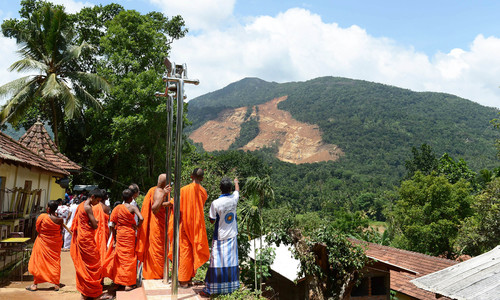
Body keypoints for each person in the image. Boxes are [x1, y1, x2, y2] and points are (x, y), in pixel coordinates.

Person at [168, 168, 210, 287]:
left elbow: (175, 205)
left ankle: (183, 280)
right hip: (197, 225)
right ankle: (190, 277)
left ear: (191, 176)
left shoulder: (183, 190)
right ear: (202, 178)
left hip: (185, 225)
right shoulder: (204, 192)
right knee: (193, 250)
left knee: (185, 251)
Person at [202, 177, 240, 296]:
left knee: (217, 262)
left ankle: (213, 288)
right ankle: (231, 287)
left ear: (220, 189)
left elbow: (212, 220)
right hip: (232, 235)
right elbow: (237, 190)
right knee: (231, 261)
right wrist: (236, 182)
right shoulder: (234, 198)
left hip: (220, 237)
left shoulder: (216, 203)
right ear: (230, 188)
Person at [104, 189, 144, 291]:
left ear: (122, 198)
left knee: (120, 259)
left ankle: (118, 281)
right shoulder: (133, 207)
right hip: (129, 235)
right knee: (129, 258)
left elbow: (112, 224)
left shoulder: (117, 208)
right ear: (131, 198)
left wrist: (114, 237)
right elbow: (142, 218)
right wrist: (137, 227)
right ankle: (128, 284)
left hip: (120, 235)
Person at [70, 188, 106, 300]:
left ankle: (85, 293)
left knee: (85, 266)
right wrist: (96, 221)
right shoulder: (87, 207)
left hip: (83, 237)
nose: (98, 203)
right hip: (86, 239)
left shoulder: (81, 205)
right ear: (93, 197)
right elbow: (95, 225)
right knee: (94, 264)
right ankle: (93, 294)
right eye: (98, 201)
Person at [26, 200, 68, 292]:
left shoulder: (42, 217)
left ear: (48, 208)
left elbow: (38, 229)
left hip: (43, 242)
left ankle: (35, 285)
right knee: (55, 262)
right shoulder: (60, 220)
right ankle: (56, 284)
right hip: (55, 243)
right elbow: (60, 230)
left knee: (39, 262)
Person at [136, 174, 171, 280]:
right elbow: (154, 208)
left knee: (159, 252)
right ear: (165, 184)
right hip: (157, 229)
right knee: (158, 252)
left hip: (159, 226)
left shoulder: (154, 190)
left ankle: (156, 275)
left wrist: (168, 203)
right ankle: (155, 276)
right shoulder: (158, 192)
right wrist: (165, 195)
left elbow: (160, 205)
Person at [94, 190, 111, 269]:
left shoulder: (94, 206)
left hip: (94, 231)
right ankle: (101, 273)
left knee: (95, 251)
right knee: (103, 250)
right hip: (105, 232)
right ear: (106, 198)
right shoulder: (107, 208)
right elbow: (109, 221)